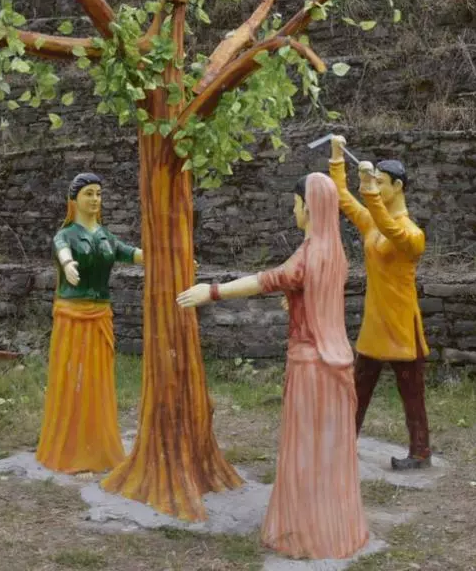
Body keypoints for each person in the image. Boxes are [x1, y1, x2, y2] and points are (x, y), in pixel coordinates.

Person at [177, 173, 369, 560]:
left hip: (310, 365)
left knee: (305, 452)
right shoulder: (336, 253)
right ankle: (335, 530)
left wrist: (211, 291)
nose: (292, 210)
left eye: (296, 204)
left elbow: (265, 280)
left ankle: (307, 535)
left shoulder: (308, 253)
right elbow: (312, 292)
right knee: (329, 454)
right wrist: (298, 301)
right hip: (338, 364)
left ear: (309, 207)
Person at [328, 136, 431, 471]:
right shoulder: (373, 220)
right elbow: (343, 198)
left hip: (402, 324)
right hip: (376, 323)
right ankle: (344, 443)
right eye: (375, 183)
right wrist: (337, 158)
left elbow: (391, 230)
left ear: (397, 187)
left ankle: (420, 452)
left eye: (381, 183)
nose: (374, 188)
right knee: (359, 386)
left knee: (411, 393)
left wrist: (368, 191)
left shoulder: (412, 234)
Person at [36, 172, 143, 474]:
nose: (95, 199)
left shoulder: (106, 236)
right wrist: (68, 264)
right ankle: (67, 444)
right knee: (71, 376)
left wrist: (172, 258)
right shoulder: (66, 235)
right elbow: (63, 252)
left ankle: (97, 442)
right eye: (88, 194)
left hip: (100, 315)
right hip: (72, 315)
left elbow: (133, 254)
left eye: (98, 193)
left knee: (98, 377)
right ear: (74, 200)